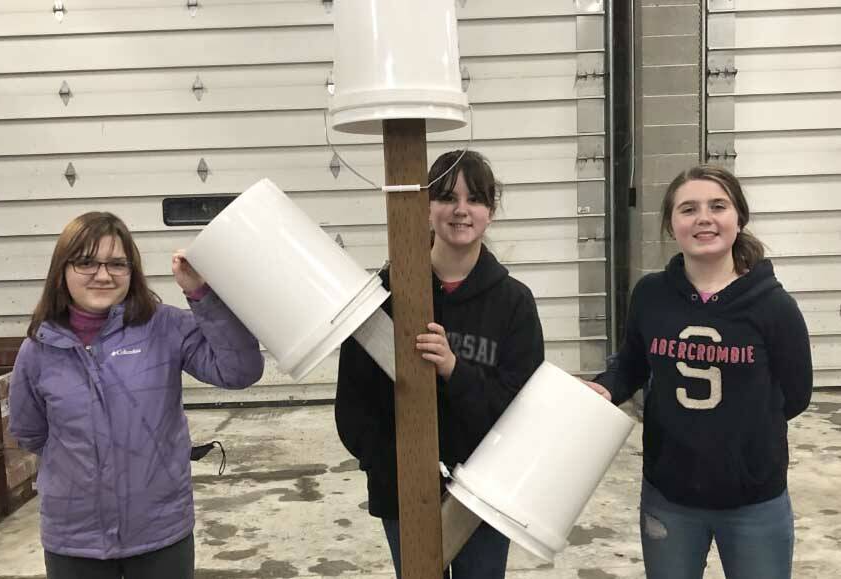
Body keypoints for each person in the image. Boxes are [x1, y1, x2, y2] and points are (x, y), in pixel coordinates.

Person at [583, 165, 812, 579]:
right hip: (669, 496)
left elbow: (796, 396)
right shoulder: (651, 295)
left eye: (717, 206)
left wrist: (739, 445)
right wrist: (605, 387)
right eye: (688, 209)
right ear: (672, 225)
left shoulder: (775, 307)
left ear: (738, 218)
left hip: (753, 501)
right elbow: (633, 361)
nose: (703, 217)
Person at [9, 212, 264, 579]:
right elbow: (30, 432)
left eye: (117, 264)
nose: (102, 275)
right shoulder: (38, 349)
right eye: (86, 262)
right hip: (75, 539)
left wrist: (201, 294)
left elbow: (240, 371)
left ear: (132, 271)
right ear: (61, 271)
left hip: (160, 533)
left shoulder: (165, 327)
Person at [335, 150, 545, 579]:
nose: (461, 210)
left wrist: (455, 370)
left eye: (476, 199)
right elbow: (353, 405)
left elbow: (522, 413)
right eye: (447, 196)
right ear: (426, 207)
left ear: (491, 211)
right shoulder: (382, 296)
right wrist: (393, 466)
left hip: (483, 495)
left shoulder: (513, 303)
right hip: (402, 489)